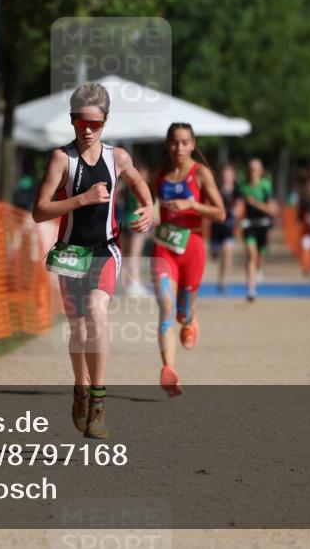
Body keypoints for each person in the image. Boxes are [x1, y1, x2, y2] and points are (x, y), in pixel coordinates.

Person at [33, 83, 152, 439]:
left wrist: (149, 207)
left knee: (97, 314)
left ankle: (98, 403)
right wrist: (81, 199)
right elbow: (39, 211)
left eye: (95, 124)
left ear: (106, 122)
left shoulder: (117, 158)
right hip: (70, 253)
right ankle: (80, 388)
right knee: (77, 330)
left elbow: (137, 181)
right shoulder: (62, 159)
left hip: (105, 249)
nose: (88, 130)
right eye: (81, 122)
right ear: (72, 121)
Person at [150, 123, 226, 397]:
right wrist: (142, 215)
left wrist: (192, 204)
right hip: (165, 247)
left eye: (184, 143)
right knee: (166, 306)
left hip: (192, 245)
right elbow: (145, 204)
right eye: (174, 143)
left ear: (193, 144)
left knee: (181, 311)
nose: (178, 148)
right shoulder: (159, 175)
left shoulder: (201, 173)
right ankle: (168, 368)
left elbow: (221, 213)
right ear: (167, 145)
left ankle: (190, 319)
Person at [236, 158, 277, 302]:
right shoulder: (243, 187)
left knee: (260, 256)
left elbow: (272, 210)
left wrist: (257, 204)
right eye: (250, 169)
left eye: (255, 169)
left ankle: (259, 269)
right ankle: (251, 289)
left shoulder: (266, 186)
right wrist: (236, 212)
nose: (252, 172)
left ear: (261, 171)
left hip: (264, 224)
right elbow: (239, 206)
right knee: (251, 255)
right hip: (249, 225)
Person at [121, 160, 154, 296]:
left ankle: (129, 283)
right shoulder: (141, 188)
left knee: (128, 254)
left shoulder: (127, 188)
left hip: (126, 221)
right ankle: (134, 283)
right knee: (135, 254)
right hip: (137, 221)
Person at [209, 163, 239, 293]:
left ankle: (223, 280)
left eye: (229, 173)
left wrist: (234, 212)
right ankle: (220, 273)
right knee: (215, 255)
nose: (227, 176)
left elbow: (240, 206)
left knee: (227, 253)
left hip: (229, 228)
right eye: (225, 173)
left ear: (233, 175)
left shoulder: (237, 191)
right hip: (216, 227)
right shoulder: (216, 189)